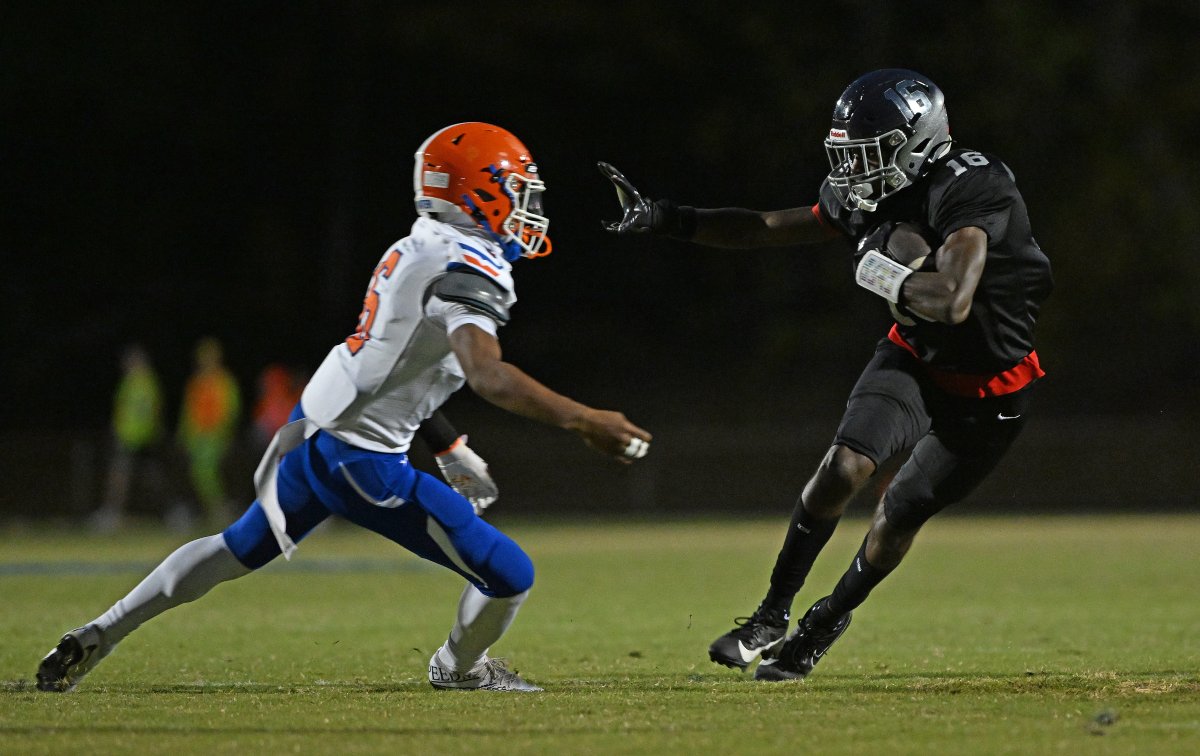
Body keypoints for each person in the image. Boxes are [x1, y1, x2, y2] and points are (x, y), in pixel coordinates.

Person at [37, 122, 652, 693]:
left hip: (313, 434)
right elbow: (487, 374)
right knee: (510, 573)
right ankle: (457, 670)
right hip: (363, 464)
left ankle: (101, 631)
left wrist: (444, 442)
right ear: (477, 192)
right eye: (517, 191)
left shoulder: (417, 245)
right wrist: (585, 419)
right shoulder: (468, 267)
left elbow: (394, 358)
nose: (528, 208)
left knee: (234, 549)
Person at [601, 69, 1052, 681]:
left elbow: (952, 300)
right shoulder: (858, 195)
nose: (853, 170)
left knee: (897, 515)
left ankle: (827, 620)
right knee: (842, 468)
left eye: (869, 153)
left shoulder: (972, 185)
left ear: (919, 141)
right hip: (915, 358)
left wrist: (885, 275)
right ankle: (769, 614)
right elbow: (765, 227)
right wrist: (666, 217)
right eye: (846, 154)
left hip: (992, 388)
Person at [88, 343, 169, 532]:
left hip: (145, 439)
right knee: (119, 477)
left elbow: (154, 410)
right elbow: (121, 408)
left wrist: (151, 431)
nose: (129, 365)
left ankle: (171, 512)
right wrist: (117, 429)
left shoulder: (148, 382)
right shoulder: (128, 383)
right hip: (127, 438)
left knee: (153, 478)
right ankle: (111, 514)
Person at [177, 336, 242, 529]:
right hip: (197, 437)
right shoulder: (197, 382)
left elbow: (232, 408)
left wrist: (224, 431)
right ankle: (215, 509)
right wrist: (185, 435)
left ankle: (218, 508)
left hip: (215, 436)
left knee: (206, 472)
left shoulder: (224, 381)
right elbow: (188, 410)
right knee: (199, 474)